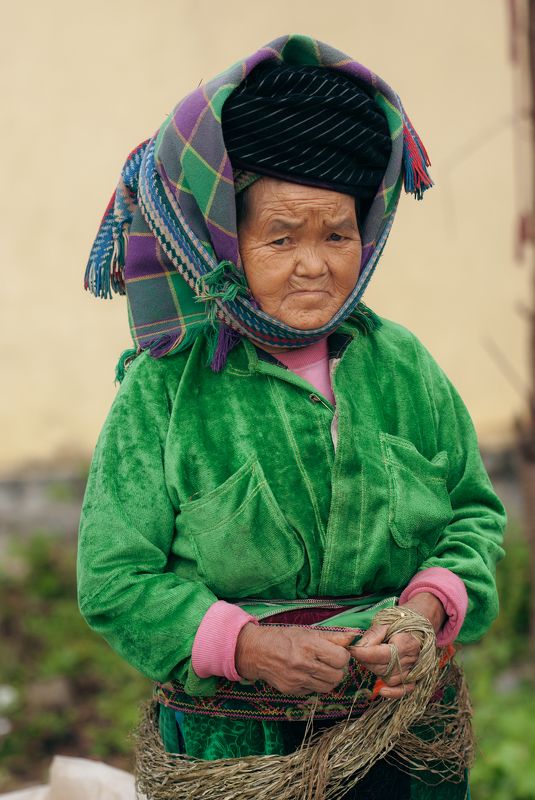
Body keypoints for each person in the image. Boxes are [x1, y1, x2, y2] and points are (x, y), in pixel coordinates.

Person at [78, 34, 506, 799]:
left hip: (405, 745)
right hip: (236, 754)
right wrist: (243, 645)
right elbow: (115, 577)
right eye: (280, 236)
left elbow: (471, 517)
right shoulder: (166, 389)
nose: (315, 264)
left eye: (336, 234)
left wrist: (419, 612)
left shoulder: (403, 366)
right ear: (224, 241)